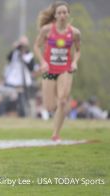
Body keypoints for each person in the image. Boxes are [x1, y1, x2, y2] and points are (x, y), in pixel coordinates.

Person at [33, 1, 81, 141]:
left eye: (64, 12)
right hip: (49, 69)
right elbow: (36, 46)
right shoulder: (47, 30)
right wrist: (42, 62)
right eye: (59, 13)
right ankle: (60, 109)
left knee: (62, 101)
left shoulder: (75, 33)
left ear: (68, 14)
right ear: (55, 15)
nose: (62, 15)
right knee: (49, 106)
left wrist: (74, 62)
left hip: (65, 69)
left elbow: (78, 50)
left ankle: (55, 134)